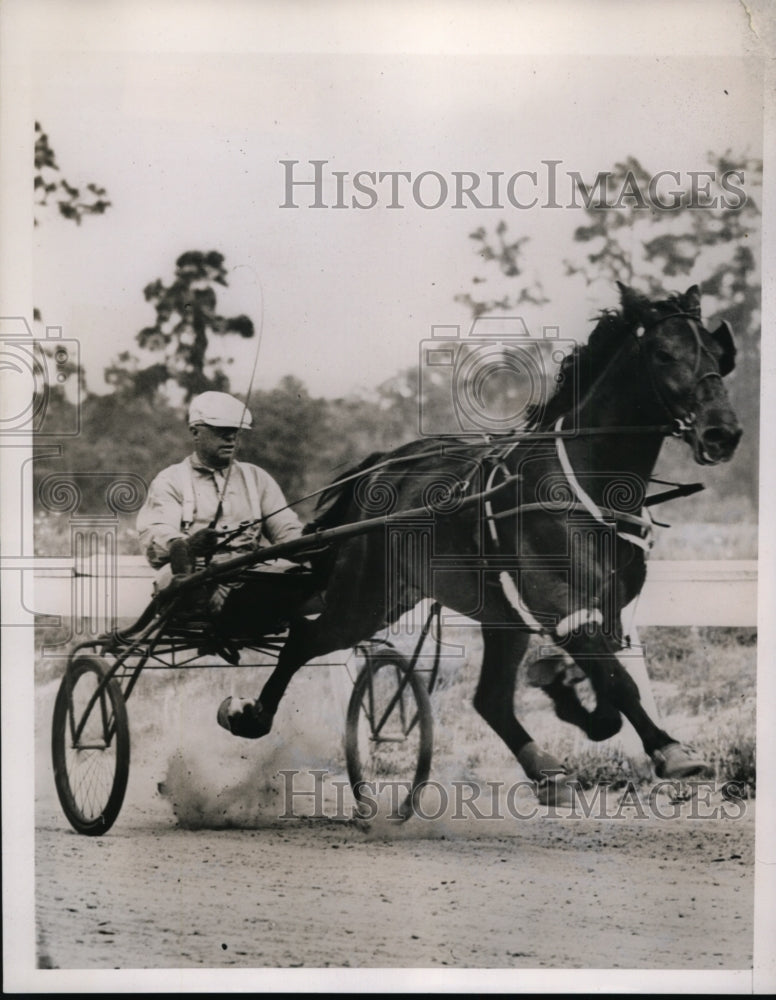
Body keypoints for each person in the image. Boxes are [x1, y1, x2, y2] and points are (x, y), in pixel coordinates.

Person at [136, 390, 314, 647]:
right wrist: (186, 544)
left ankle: (235, 602)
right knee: (185, 582)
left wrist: (311, 540)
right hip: (194, 578)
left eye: (236, 431)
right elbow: (157, 534)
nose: (231, 437)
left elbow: (286, 529)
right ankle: (225, 602)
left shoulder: (256, 478)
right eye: (221, 430)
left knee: (298, 575)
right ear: (196, 432)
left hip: (251, 576)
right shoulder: (171, 481)